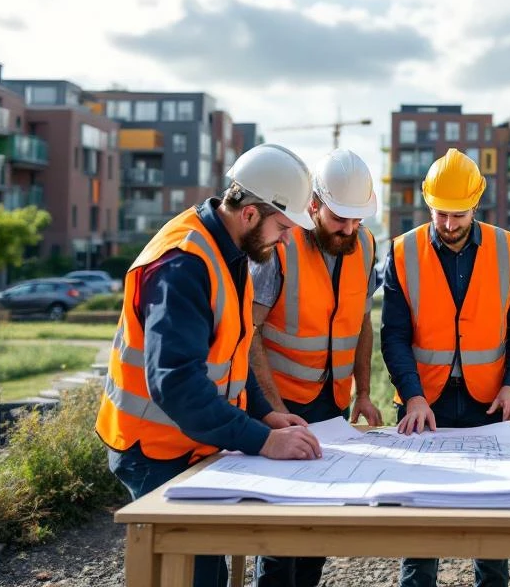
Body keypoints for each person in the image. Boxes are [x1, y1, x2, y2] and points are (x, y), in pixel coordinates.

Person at [96, 143, 323, 587]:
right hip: (154, 448)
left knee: (206, 570)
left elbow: (232, 353)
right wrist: (265, 441)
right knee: (192, 575)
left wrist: (265, 413)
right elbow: (178, 385)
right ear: (251, 213)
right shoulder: (183, 264)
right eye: (283, 225)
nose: (289, 237)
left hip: (190, 438)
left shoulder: (230, 249)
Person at [381, 148, 510, 587]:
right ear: (428, 204)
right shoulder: (403, 250)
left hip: (489, 403)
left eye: (459, 215)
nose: (449, 225)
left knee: (492, 522)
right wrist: (412, 395)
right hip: (422, 404)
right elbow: (393, 334)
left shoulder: (505, 247)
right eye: (441, 214)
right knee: (420, 524)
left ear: (476, 205)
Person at [250, 148, 384, 587]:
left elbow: (362, 321)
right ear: (313, 206)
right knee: (280, 532)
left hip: (331, 404)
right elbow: (249, 334)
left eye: (356, 220)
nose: (348, 230)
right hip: (280, 402)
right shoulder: (279, 246)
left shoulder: (365, 244)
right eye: (338, 219)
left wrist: (363, 392)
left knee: (318, 525)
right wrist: (272, 411)